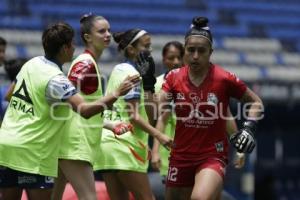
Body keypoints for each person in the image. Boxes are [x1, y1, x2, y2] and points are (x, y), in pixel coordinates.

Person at [0, 22, 140, 200]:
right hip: (33, 151)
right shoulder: (57, 80)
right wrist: (116, 93)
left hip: (7, 144)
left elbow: (9, 95)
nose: (74, 47)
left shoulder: (31, 63)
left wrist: (108, 124)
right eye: (72, 44)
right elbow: (85, 110)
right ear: (65, 48)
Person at [156, 17, 263, 200]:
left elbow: (256, 103)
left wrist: (248, 128)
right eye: (191, 50)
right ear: (185, 52)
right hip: (180, 156)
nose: (195, 56)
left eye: (201, 51)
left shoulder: (224, 79)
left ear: (210, 52)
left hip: (212, 156)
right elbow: (155, 109)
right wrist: (149, 84)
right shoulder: (173, 78)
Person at [51, 14, 134, 200]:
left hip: (69, 140)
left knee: (54, 197)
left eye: (109, 31)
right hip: (75, 144)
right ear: (87, 37)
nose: (107, 35)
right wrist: (116, 93)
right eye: (101, 31)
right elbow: (70, 101)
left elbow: (82, 106)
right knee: (89, 197)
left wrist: (109, 125)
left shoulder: (90, 63)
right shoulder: (85, 64)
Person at [150, 41, 246, 199]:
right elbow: (160, 118)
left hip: (207, 157)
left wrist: (239, 147)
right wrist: (155, 152)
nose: (174, 62)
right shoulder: (164, 83)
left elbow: (226, 115)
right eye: (170, 58)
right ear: (163, 60)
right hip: (174, 159)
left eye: (178, 58)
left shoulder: (210, 80)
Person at [94, 28, 173, 200]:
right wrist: (159, 135)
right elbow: (134, 116)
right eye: (146, 46)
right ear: (131, 49)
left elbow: (151, 116)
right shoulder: (132, 75)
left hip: (107, 144)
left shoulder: (119, 70)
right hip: (125, 144)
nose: (150, 50)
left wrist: (149, 84)